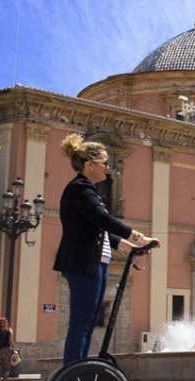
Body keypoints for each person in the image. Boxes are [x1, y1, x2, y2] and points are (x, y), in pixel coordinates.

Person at [54, 133, 157, 365]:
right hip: (83, 263)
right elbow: (102, 219)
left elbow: (96, 228)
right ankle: (72, 374)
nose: (108, 168)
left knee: (88, 321)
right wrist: (135, 235)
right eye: (104, 163)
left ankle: (79, 368)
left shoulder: (87, 190)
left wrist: (125, 245)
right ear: (90, 165)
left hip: (95, 263)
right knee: (81, 322)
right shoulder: (80, 189)